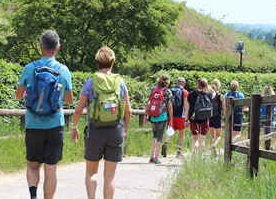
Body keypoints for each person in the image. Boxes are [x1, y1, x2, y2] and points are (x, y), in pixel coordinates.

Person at [15, 30, 73, 199]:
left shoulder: (30, 68)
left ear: (40, 46)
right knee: (51, 168)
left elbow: (19, 96)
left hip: (33, 124)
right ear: (58, 48)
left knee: (33, 165)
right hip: (55, 125)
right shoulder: (63, 70)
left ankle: (33, 196)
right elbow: (69, 100)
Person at [70, 47, 132, 199]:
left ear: (97, 63)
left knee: (91, 172)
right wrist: (125, 130)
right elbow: (128, 110)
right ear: (112, 63)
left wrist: (74, 127)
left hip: (95, 130)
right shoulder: (120, 82)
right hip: (116, 129)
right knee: (110, 175)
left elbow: (78, 109)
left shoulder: (91, 82)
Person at [145, 74, 173, 164]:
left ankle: (152, 154)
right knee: (160, 136)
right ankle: (157, 157)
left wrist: (146, 115)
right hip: (163, 115)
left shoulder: (153, 89)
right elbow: (170, 107)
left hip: (153, 115)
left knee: (154, 135)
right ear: (167, 82)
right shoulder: (168, 91)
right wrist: (171, 120)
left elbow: (148, 102)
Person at [161, 77, 189, 158]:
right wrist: (187, 118)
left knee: (170, 130)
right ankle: (179, 151)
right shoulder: (185, 92)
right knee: (182, 133)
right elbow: (186, 106)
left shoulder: (170, 90)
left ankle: (166, 143)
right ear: (183, 84)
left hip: (171, 115)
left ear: (176, 83)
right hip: (181, 116)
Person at [185, 77, 215, 151]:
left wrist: (186, 120)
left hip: (193, 119)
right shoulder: (208, 94)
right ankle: (201, 157)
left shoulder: (191, 94)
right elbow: (214, 92)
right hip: (205, 119)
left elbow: (187, 108)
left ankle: (194, 155)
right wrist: (208, 87)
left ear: (197, 84)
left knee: (195, 138)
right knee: (202, 139)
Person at [209, 79, 226, 149]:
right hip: (217, 118)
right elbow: (224, 108)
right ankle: (214, 146)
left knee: (212, 135)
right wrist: (225, 117)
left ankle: (210, 149)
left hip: (209, 117)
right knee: (219, 136)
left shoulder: (209, 95)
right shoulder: (221, 96)